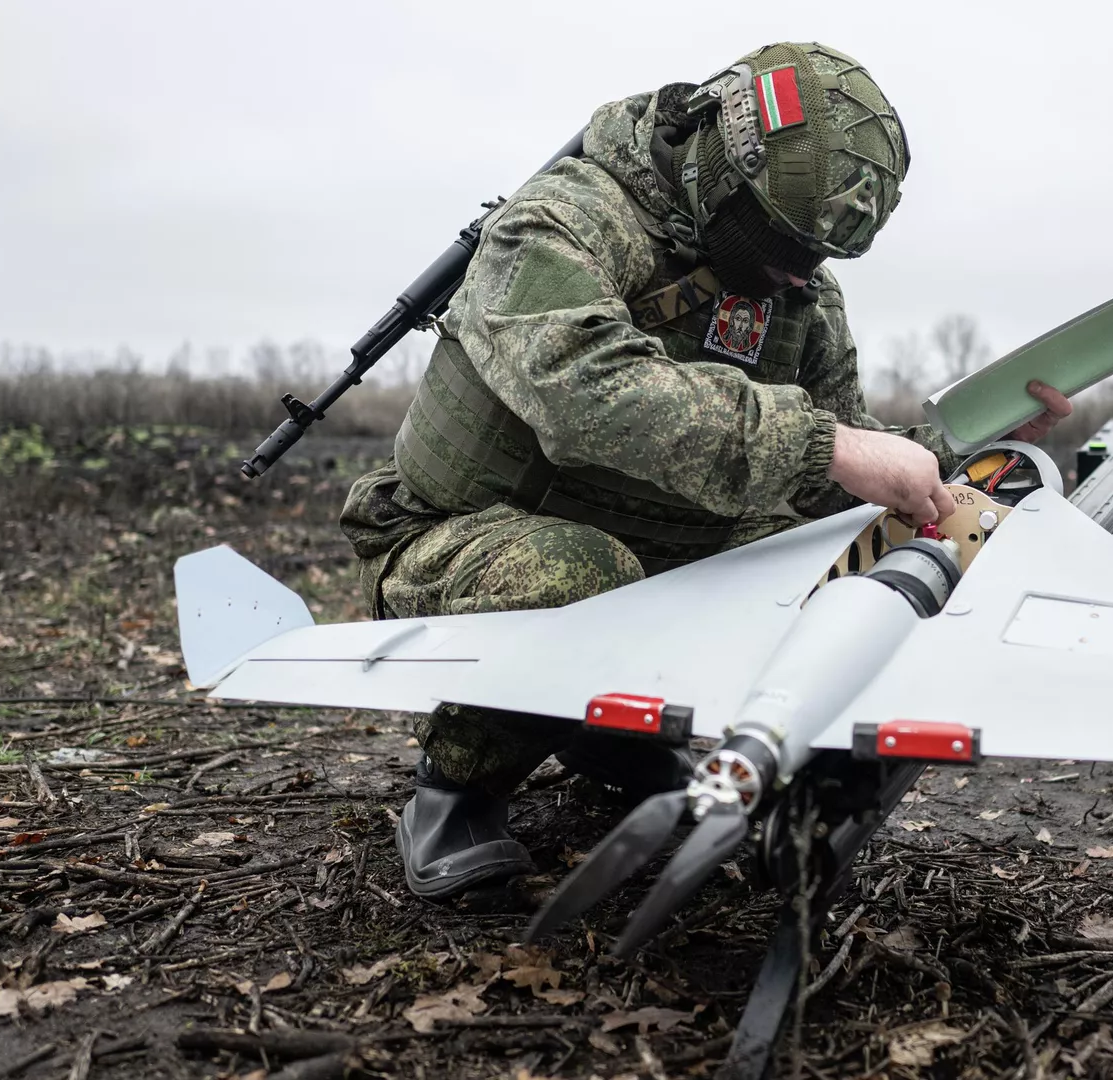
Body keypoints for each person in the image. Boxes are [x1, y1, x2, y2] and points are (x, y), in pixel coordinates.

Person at [337, 42, 1070, 900]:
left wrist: (943, 453)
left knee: (846, 549)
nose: (799, 270)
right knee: (575, 573)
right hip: (458, 542)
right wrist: (827, 445)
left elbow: (843, 455)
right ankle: (458, 789)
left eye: (819, 252)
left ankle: (620, 732)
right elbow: (587, 393)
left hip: (660, 549)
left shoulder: (800, 293)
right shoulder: (561, 222)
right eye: (781, 239)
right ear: (720, 164)